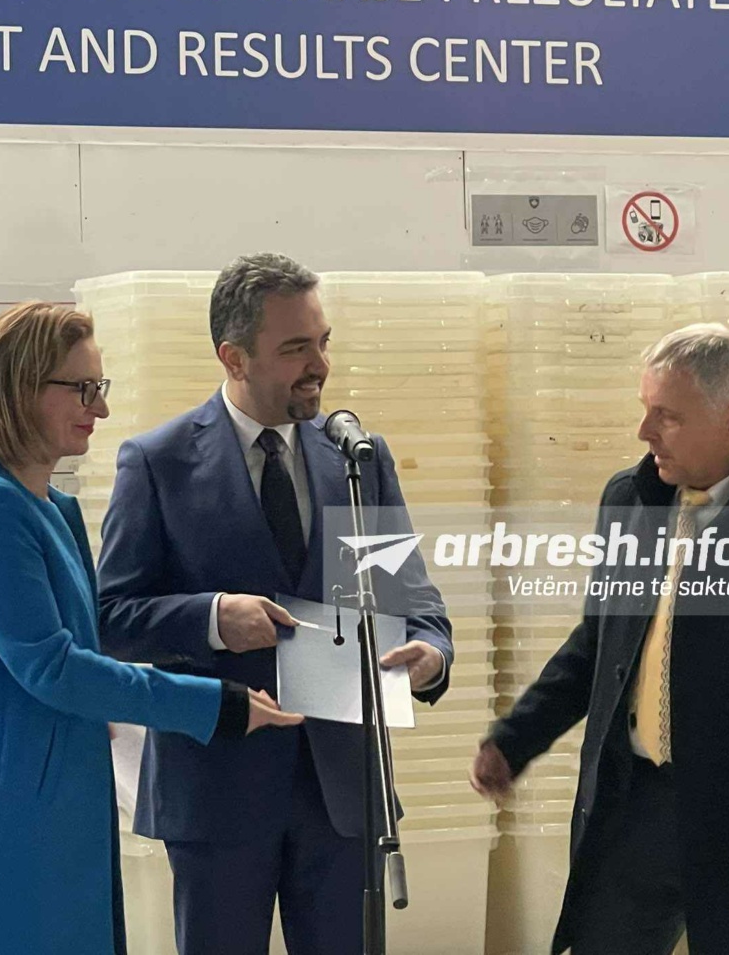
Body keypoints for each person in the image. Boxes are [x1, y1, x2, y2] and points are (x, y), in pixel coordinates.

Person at [0, 301, 302, 955]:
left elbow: (81, 650)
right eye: (83, 389)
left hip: (57, 799)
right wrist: (212, 703)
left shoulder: (51, 508)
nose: (102, 408)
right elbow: (54, 668)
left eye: (101, 388)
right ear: (22, 389)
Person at [471, 323, 729, 955]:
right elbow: (601, 642)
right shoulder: (629, 499)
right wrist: (517, 736)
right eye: (646, 409)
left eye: (668, 416)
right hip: (633, 809)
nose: (645, 431)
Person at [95, 254, 455, 955]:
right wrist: (211, 619)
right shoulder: (158, 462)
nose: (319, 365)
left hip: (343, 793)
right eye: (295, 349)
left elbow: (414, 599)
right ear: (233, 357)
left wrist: (431, 654)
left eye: (323, 342)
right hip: (217, 791)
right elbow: (110, 618)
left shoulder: (358, 459)